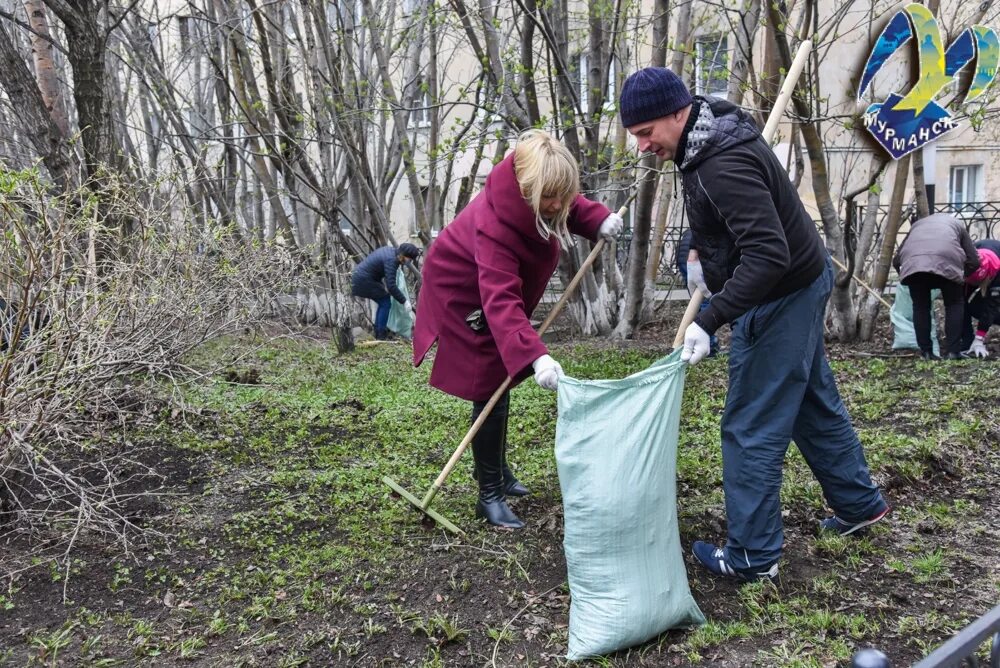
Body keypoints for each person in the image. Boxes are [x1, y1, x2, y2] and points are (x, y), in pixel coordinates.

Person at [619, 67, 889, 582]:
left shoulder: (719, 162)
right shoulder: (705, 137)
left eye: (646, 132)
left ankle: (752, 554)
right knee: (811, 401)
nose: (640, 146)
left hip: (779, 294)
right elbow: (731, 222)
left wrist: (711, 318)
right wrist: (696, 249)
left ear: (678, 112)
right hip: (798, 281)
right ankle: (859, 505)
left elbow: (767, 255)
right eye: (634, 136)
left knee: (749, 424)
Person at [413, 129, 622, 529]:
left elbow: (567, 202)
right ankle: (489, 493)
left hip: (488, 287)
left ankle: (496, 472)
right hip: (463, 288)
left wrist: (598, 220)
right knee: (488, 381)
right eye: (548, 197)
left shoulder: (539, 187)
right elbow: (501, 302)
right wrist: (536, 355)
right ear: (526, 189)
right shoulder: (495, 226)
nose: (557, 204)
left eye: (561, 193)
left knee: (501, 379)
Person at [892, 214, 980, 360]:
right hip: (947, 263)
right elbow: (974, 261)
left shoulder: (916, 226)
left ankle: (926, 352)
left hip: (915, 267)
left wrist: (905, 274)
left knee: (920, 307)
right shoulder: (957, 224)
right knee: (954, 304)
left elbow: (897, 260)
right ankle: (953, 352)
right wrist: (961, 276)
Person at [351, 243, 421, 340]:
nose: (409, 262)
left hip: (361, 277)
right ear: (404, 256)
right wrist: (404, 301)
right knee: (385, 302)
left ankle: (378, 331)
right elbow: (391, 286)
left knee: (384, 300)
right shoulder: (392, 261)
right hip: (362, 281)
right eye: (410, 259)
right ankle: (380, 335)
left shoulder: (391, 252)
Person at [676, 229, 719, 356]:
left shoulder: (698, 227)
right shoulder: (709, 230)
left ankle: (702, 344)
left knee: (699, 304)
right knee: (705, 302)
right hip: (697, 261)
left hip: (687, 258)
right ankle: (709, 346)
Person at [961, 241, 1000, 358]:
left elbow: (992, 306)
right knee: (960, 302)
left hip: (993, 274)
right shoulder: (969, 259)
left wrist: (979, 338)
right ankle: (967, 341)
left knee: (992, 308)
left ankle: (975, 340)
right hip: (974, 270)